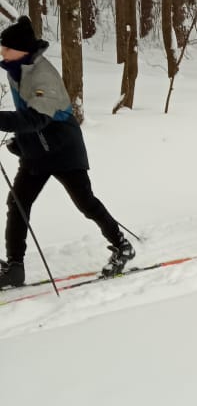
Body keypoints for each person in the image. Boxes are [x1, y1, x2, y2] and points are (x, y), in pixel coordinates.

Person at [0, 16, 134, 288]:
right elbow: (28, 113)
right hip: (37, 152)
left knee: (85, 202)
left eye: (6, 47)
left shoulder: (43, 75)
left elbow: (37, 118)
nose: (2, 51)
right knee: (18, 204)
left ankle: (122, 246)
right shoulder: (16, 69)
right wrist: (22, 142)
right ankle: (15, 267)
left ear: (21, 49)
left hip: (64, 148)